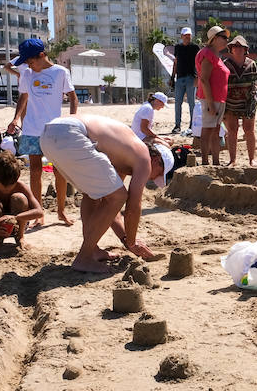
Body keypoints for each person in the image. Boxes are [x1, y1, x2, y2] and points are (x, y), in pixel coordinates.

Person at [39, 114, 170, 273]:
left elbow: (108, 204)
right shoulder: (144, 158)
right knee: (119, 196)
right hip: (71, 134)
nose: (152, 178)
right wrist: (132, 242)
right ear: (156, 159)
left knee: (93, 194)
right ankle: (84, 258)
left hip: (50, 133)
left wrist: (125, 239)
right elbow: (132, 206)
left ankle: (92, 249)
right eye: (158, 174)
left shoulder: (123, 152)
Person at [7, 37, 76, 226]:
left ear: (42, 55)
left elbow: (73, 98)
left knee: (59, 171)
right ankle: (38, 213)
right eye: (26, 62)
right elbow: (23, 97)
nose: (29, 65)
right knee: (35, 171)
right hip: (31, 129)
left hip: (55, 129)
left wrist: (72, 119)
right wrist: (15, 118)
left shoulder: (61, 72)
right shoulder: (28, 75)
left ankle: (61, 212)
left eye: (31, 61)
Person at [195, 25, 231, 165]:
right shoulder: (207, 53)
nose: (227, 41)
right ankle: (205, 162)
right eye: (224, 38)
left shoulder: (214, 55)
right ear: (215, 39)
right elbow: (204, 79)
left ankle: (215, 162)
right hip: (211, 98)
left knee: (215, 131)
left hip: (217, 98)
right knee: (208, 130)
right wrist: (210, 104)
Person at [222, 35, 257, 166]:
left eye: (240, 47)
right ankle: (232, 160)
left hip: (248, 102)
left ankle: (251, 159)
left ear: (245, 49)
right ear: (231, 49)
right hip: (230, 103)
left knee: (249, 130)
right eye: (235, 47)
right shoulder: (225, 64)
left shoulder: (252, 64)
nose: (237, 49)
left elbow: (256, 84)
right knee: (232, 130)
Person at [171, 27, 199, 134]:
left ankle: (192, 125)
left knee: (192, 103)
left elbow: (199, 62)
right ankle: (177, 125)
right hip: (180, 78)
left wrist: (198, 77)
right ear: (181, 36)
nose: (188, 37)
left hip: (191, 77)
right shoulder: (177, 47)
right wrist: (172, 77)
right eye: (186, 35)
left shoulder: (195, 47)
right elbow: (176, 62)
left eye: (189, 35)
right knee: (178, 103)